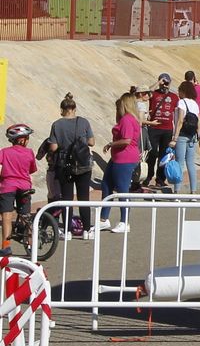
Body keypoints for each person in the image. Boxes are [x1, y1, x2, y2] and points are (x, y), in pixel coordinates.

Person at [43, 94, 94, 237]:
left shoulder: (57, 124)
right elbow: (91, 142)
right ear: (74, 108)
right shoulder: (84, 122)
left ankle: (67, 231)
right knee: (84, 198)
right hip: (83, 164)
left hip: (64, 165)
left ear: (62, 109)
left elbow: (53, 147)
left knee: (67, 198)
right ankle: (86, 230)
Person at [99, 93, 142, 232]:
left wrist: (111, 144)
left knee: (123, 189)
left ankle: (124, 222)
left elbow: (127, 140)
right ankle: (103, 219)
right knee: (106, 184)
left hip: (125, 159)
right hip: (118, 158)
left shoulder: (127, 120)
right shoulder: (130, 119)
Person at [0, 125, 38, 254]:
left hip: (8, 186)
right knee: (26, 216)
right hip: (24, 186)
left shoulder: (4, 152)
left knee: (6, 215)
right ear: (22, 140)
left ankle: (6, 246)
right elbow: (32, 169)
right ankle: (31, 244)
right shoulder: (29, 152)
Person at [142, 73, 179, 190]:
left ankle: (160, 179)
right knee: (152, 153)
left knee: (164, 155)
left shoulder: (174, 97)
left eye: (167, 82)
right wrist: (158, 83)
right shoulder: (154, 93)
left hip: (167, 129)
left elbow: (177, 115)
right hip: (154, 128)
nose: (165, 85)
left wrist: (175, 135)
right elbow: (146, 93)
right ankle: (148, 176)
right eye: (163, 82)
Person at [172, 80, 200, 195]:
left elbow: (180, 121)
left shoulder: (181, 102)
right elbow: (199, 123)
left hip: (181, 136)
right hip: (192, 137)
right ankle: (193, 191)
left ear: (183, 91)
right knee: (191, 164)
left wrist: (174, 138)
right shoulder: (195, 104)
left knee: (179, 163)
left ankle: (177, 192)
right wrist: (197, 136)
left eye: (179, 90)